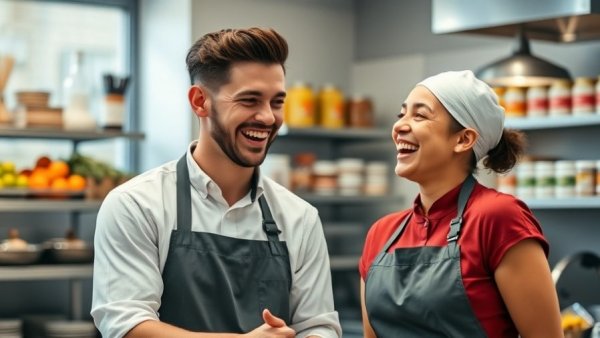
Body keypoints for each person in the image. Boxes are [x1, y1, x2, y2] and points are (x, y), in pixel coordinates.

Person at [91, 27, 341, 338]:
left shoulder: (300, 218)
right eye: (250, 100)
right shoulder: (136, 205)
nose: (267, 118)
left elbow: (318, 327)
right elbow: (126, 325)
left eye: (276, 102)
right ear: (200, 102)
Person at [359, 70, 563, 337]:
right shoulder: (381, 234)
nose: (399, 126)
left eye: (419, 115)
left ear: (463, 139)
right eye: (402, 115)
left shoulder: (497, 217)